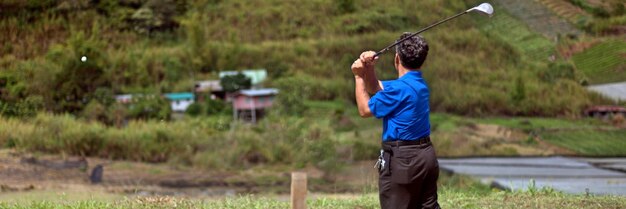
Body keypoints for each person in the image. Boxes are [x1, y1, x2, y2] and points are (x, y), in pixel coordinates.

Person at [351, 33, 440, 209]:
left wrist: (358, 76)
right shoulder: (418, 84)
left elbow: (365, 110)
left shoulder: (399, 89)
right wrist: (369, 67)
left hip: (404, 160)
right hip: (426, 156)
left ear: (397, 58)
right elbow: (375, 87)